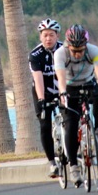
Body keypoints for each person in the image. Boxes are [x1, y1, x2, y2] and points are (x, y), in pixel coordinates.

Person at [54, 24, 98, 187]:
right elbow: (61, 76)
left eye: (80, 50)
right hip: (69, 87)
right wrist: (63, 92)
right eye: (74, 50)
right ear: (67, 46)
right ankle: (74, 166)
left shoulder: (94, 51)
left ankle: (97, 130)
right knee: (71, 124)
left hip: (88, 83)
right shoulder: (60, 53)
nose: (77, 54)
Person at [29, 18, 63, 178]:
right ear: (40, 37)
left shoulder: (65, 49)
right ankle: (52, 163)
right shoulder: (35, 55)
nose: (48, 38)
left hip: (62, 89)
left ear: (57, 36)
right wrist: (42, 99)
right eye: (45, 35)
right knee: (45, 125)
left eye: (51, 35)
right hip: (42, 90)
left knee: (72, 118)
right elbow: (38, 79)